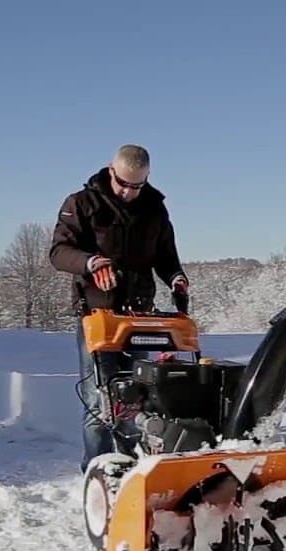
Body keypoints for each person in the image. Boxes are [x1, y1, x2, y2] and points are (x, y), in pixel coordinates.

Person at [49, 144, 190, 472]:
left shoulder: (154, 208)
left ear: (147, 179)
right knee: (100, 399)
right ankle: (97, 470)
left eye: (136, 187)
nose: (128, 193)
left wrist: (176, 276)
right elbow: (59, 252)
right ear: (111, 172)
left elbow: (166, 256)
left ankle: (128, 466)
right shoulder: (81, 203)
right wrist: (90, 261)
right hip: (98, 316)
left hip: (140, 316)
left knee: (134, 397)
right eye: (123, 184)